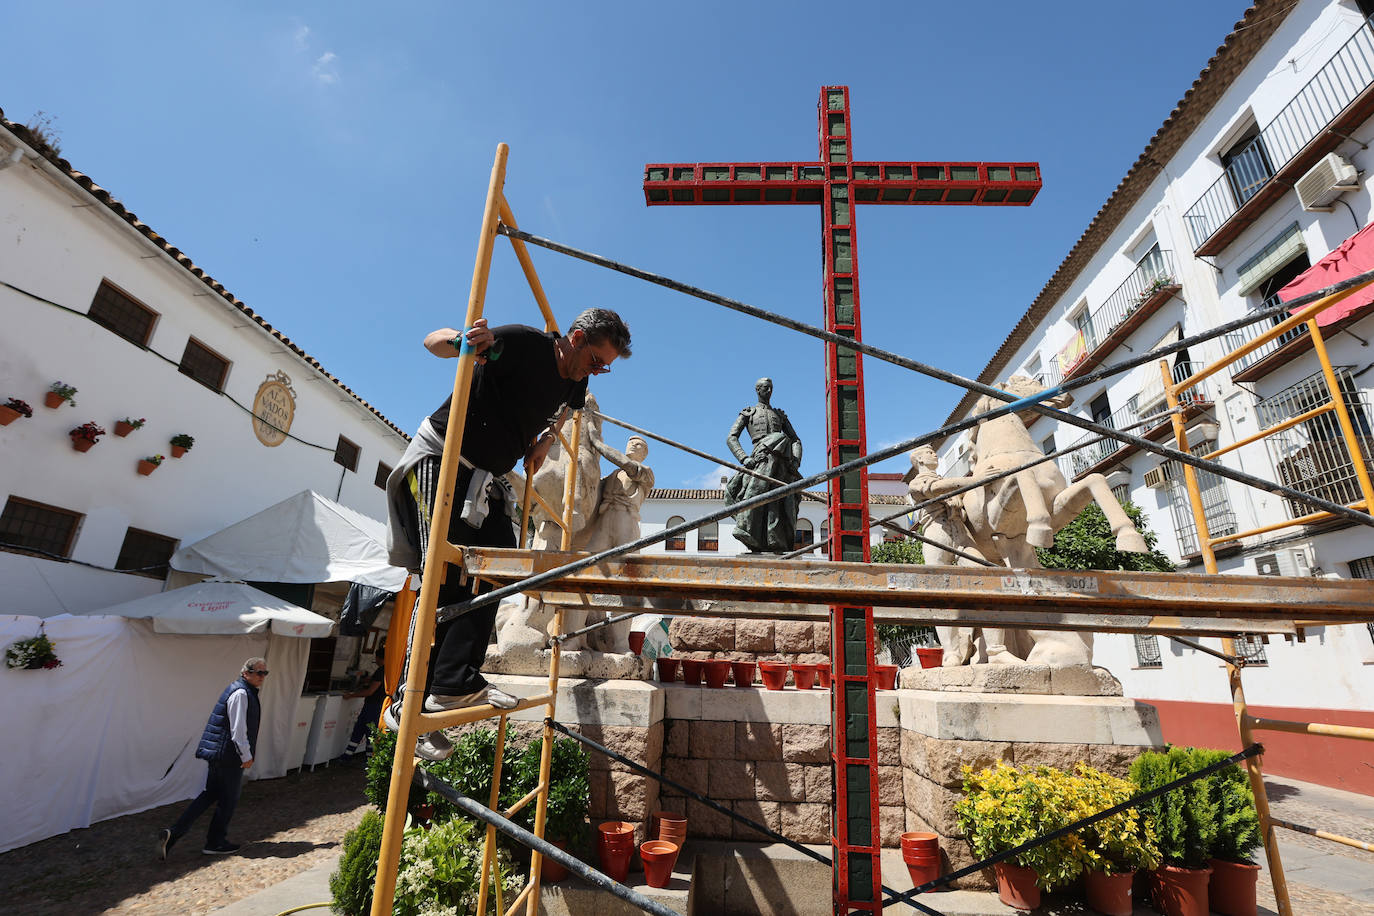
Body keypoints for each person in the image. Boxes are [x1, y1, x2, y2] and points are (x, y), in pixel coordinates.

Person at [385, 308, 631, 761]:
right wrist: (462, 340)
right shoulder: (522, 342)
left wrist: (542, 441)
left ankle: (452, 683)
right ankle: (407, 704)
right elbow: (432, 341)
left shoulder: (576, 383)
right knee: (442, 577)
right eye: (597, 361)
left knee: (497, 572)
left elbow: (563, 411)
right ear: (576, 338)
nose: (598, 372)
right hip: (441, 461)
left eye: (605, 367)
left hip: (485, 478)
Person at [157, 658, 266, 859]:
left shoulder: (241, 691)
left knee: (209, 794)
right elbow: (238, 729)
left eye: (264, 673)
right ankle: (215, 842)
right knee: (229, 800)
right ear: (246, 673)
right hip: (228, 756)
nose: (262, 677)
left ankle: (173, 833)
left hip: (219, 753)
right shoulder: (241, 693)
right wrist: (246, 755)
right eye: (258, 672)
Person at [724, 377, 803, 553]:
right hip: (760, 459)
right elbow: (731, 437)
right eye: (765, 388)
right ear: (758, 390)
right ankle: (748, 529)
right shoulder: (748, 413)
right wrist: (744, 458)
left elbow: (795, 440)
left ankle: (775, 539)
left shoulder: (779, 415)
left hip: (782, 463)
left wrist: (795, 462)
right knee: (758, 495)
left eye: (771, 388)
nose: (769, 392)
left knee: (778, 501)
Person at [342, 644, 385, 758]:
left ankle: (366, 759)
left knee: (366, 731)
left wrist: (352, 695)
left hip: (373, 706)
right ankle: (352, 757)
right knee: (362, 729)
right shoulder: (388, 671)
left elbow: (370, 691)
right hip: (377, 705)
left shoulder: (381, 671)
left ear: (379, 658)